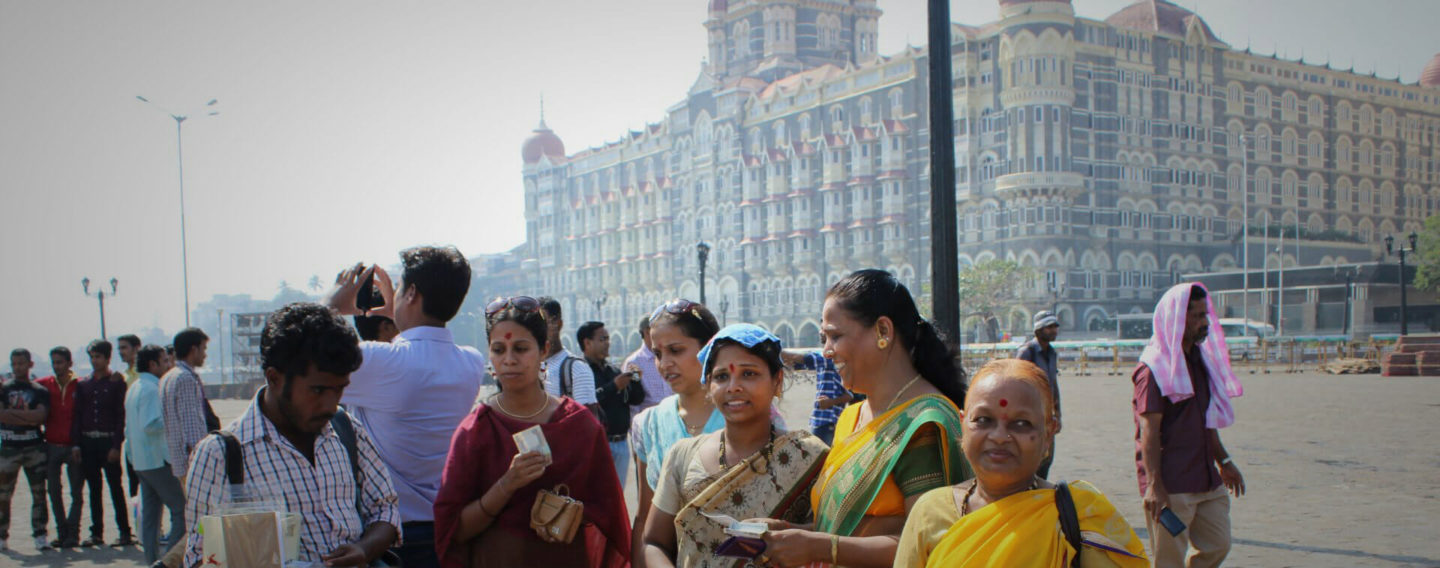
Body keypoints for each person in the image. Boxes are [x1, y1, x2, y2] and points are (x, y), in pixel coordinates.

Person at [752, 270, 971, 568]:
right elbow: (845, 529)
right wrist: (790, 534)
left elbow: (926, 545)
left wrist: (818, 547)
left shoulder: (923, 424)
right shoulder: (852, 416)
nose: (826, 352)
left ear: (883, 331)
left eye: (835, 336)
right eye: (824, 338)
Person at [183, 303, 401, 568]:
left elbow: (384, 507)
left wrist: (364, 550)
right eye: (318, 390)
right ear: (274, 378)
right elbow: (198, 557)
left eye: (339, 389)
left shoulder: (346, 429)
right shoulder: (220, 454)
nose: (330, 404)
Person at [433, 296, 630, 567]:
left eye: (521, 348)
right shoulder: (476, 431)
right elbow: (453, 528)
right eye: (499, 350)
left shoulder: (578, 426)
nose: (509, 360)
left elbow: (609, 514)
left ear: (544, 350)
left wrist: (565, 511)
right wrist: (507, 484)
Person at [325, 247, 489, 568]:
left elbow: (305, 352)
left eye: (400, 287)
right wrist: (399, 311)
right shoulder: (470, 362)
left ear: (412, 293)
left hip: (390, 533)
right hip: (447, 525)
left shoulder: (385, 362)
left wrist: (332, 305)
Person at [894, 359, 1146, 567]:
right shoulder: (930, 512)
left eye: (1021, 423)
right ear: (962, 425)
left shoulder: (1081, 516)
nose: (999, 436)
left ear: (1049, 433)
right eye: (983, 420)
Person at [642, 324, 829, 568]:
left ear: (777, 381)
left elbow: (835, 537)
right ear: (708, 385)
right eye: (721, 377)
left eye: (749, 374)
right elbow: (654, 543)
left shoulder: (809, 456)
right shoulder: (682, 456)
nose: (733, 387)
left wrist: (788, 532)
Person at [1134, 283, 1246, 568]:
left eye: (1205, 314)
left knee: (1218, 545)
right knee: (1169, 560)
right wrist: (1154, 486)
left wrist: (1225, 461)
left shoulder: (1200, 361)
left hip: (1205, 476)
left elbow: (1207, 421)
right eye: (1196, 316)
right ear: (1176, 320)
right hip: (1171, 483)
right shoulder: (1153, 369)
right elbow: (1149, 431)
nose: (1204, 322)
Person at [629, 299, 722, 567]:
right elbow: (645, 515)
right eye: (658, 353)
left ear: (709, 348)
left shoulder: (743, 414)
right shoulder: (650, 424)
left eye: (675, 350)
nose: (664, 363)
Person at [157, 328, 219, 567]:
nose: (205, 354)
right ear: (193, 349)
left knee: (201, 521)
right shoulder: (185, 378)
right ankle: (170, 562)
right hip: (193, 463)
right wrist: (204, 462)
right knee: (206, 522)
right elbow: (192, 427)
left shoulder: (168, 376)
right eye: (203, 349)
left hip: (178, 461)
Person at [126, 344, 185, 564]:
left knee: (150, 517)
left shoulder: (135, 387)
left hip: (141, 461)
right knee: (182, 510)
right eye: (164, 361)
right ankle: (168, 561)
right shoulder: (151, 389)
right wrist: (175, 416)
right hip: (157, 460)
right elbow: (150, 424)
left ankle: (151, 560)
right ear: (153, 364)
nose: (168, 365)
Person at [72, 340, 133, 547]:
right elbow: (78, 415)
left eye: (98, 357)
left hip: (108, 441)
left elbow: (120, 416)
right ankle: (96, 532)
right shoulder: (84, 385)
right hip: (88, 441)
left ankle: (124, 531)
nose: (94, 361)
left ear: (107, 358)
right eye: (92, 357)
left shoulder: (116, 383)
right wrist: (76, 444)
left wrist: (116, 445)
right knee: (94, 489)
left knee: (115, 487)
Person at [579, 321, 646, 482]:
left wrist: (635, 379)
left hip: (621, 443)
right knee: (600, 492)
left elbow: (636, 399)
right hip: (599, 444)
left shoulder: (613, 370)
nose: (608, 343)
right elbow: (586, 403)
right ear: (587, 343)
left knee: (618, 492)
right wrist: (614, 386)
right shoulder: (581, 370)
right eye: (602, 339)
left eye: (608, 339)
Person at [0, 348, 50, 552]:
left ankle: (40, 534)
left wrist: (12, 414)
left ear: (30, 364)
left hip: (34, 448)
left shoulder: (39, 390)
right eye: (14, 364)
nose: (18, 367)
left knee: (39, 493)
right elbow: (1, 415)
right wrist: (26, 417)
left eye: (21, 363)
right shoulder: (4, 389)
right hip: (9, 448)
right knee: (3, 495)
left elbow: (40, 417)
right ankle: (2, 535)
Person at [36, 346, 82, 549]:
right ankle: (62, 532)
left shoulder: (80, 385)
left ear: (69, 363)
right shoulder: (44, 385)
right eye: (54, 362)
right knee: (54, 491)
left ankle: (73, 533)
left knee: (76, 493)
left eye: (60, 362)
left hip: (74, 447)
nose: (57, 366)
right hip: (52, 445)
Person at [1015, 310, 1061, 479]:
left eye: (1055, 327)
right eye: (1049, 327)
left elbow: (1053, 384)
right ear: (1038, 330)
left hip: (1047, 415)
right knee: (1030, 460)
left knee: (1046, 459)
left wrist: (1058, 414)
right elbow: (1016, 384)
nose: (1054, 330)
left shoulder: (1052, 353)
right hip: (1029, 415)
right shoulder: (1027, 352)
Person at [536, 297, 600, 414]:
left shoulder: (576, 368)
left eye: (542, 324)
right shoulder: (530, 369)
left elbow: (588, 420)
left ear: (558, 324)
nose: (537, 331)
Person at [782, 349, 858, 447]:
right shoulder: (834, 365)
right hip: (824, 421)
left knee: (820, 454)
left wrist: (830, 402)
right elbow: (849, 395)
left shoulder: (826, 360)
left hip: (826, 421)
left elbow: (794, 356)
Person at [624, 315, 671, 414]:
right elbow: (634, 400)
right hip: (649, 418)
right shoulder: (634, 362)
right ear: (647, 332)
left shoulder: (669, 357)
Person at [117, 334, 143, 502]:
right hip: (131, 438)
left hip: (146, 437)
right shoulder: (123, 377)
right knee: (134, 488)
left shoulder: (145, 374)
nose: (121, 352)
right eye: (119, 348)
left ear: (136, 348)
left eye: (124, 347)